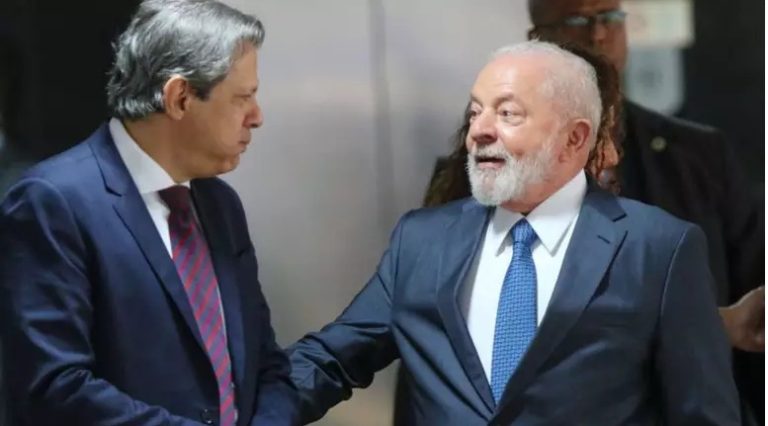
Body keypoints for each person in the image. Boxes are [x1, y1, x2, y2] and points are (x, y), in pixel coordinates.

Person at [288, 40, 740, 425]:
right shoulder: (422, 241)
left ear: (574, 138)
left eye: (508, 113)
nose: (479, 131)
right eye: (475, 112)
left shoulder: (658, 248)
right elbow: (331, 359)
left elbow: (703, 413)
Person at [428, 1, 765, 421]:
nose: (598, 34)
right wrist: (707, 325)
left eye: (609, 18)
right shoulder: (481, 173)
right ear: (538, 40)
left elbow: (755, 317)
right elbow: (446, 336)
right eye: (576, 21)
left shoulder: (698, 157)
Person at [0, 1, 298, 425]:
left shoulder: (220, 203)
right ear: (179, 98)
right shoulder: (52, 203)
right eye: (243, 97)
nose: (257, 116)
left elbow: (263, 362)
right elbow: (55, 387)